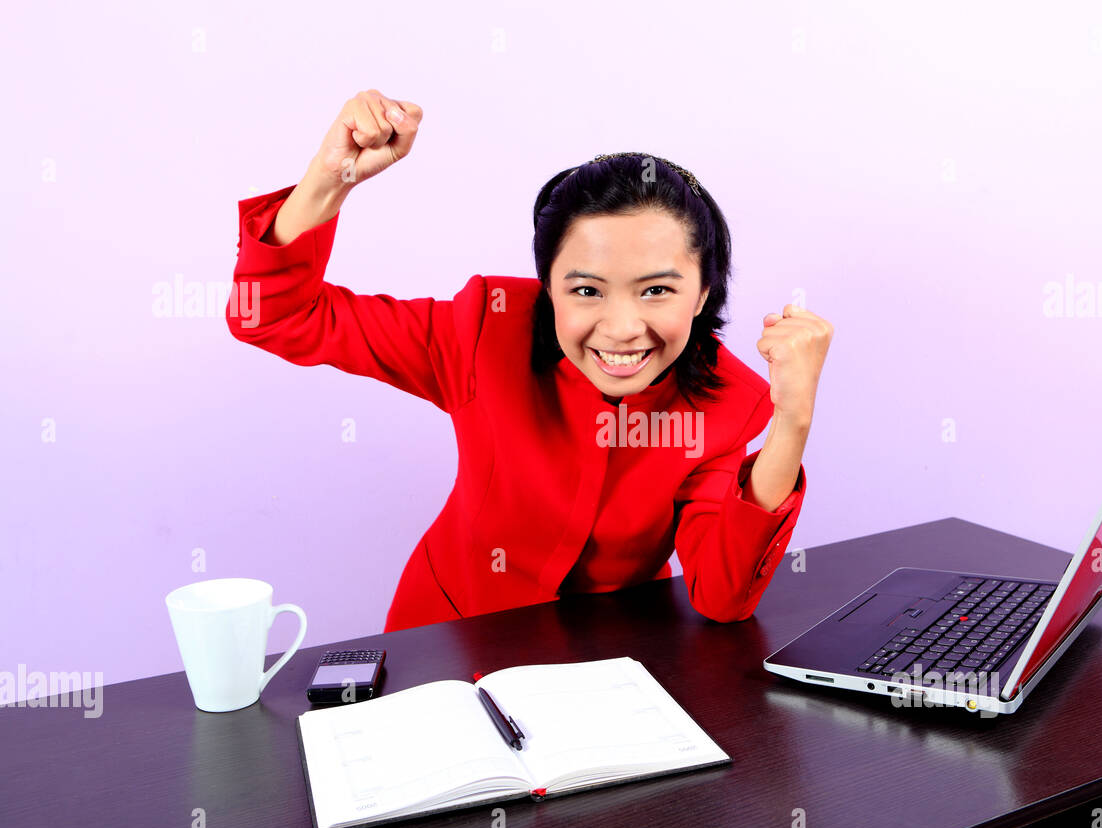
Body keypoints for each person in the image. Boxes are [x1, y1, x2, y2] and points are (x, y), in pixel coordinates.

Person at [227, 89, 833, 632]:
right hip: (446, 644)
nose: (622, 330)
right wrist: (330, 179)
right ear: (547, 288)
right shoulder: (483, 331)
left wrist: (792, 423)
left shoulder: (728, 400)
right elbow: (272, 315)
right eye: (586, 290)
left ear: (703, 294)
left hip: (613, 665)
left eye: (657, 290)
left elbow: (724, 596)